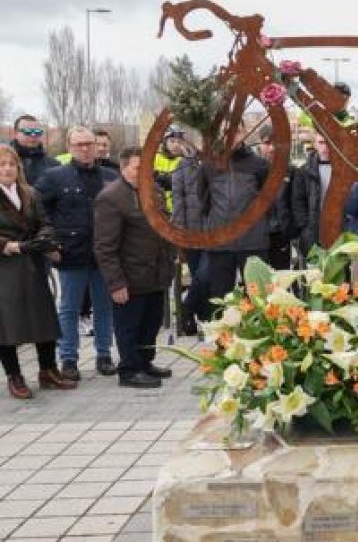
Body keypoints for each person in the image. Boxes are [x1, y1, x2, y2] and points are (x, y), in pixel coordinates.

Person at [36, 126, 119, 380]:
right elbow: (39, 212)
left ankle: (104, 355)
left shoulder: (110, 176)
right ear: (69, 147)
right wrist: (50, 244)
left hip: (103, 254)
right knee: (69, 309)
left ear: (96, 146)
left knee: (104, 307)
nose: (85, 149)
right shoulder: (54, 177)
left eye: (89, 144)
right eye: (79, 144)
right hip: (70, 254)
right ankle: (69, 359)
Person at [93, 147, 176, 389]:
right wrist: (116, 283)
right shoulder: (111, 198)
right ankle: (129, 369)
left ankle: (145, 362)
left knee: (151, 324)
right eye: (138, 168)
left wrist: (170, 259)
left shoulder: (155, 192)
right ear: (124, 168)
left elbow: (165, 228)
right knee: (129, 326)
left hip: (156, 273)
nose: (144, 173)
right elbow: (104, 247)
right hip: (130, 276)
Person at [0, 144, 76, 399]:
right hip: (6, 266)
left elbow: (45, 221)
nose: (8, 169)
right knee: (8, 323)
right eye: (2, 164)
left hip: (33, 262)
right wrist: (6, 245)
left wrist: (44, 240)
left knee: (43, 317)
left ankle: (48, 370)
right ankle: (15, 375)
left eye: (11, 164)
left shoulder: (29, 192)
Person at [201, 128, 269, 310]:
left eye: (237, 131)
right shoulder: (209, 165)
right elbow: (203, 200)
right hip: (221, 242)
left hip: (253, 242)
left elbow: (268, 199)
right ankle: (222, 338)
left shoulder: (259, 164)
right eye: (227, 131)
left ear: (244, 133)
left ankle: (258, 336)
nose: (232, 136)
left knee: (258, 299)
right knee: (221, 300)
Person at [172, 141, 206, 336]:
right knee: (198, 276)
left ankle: (187, 308)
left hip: (217, 229)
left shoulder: (220, 161)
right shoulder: (183, 166)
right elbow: (178, 201)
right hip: (192, 233)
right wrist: (179, 234)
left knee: (207, 275)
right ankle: (196, 318)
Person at [256, 125, 297, 270]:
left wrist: (290, 230)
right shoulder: (252, 170)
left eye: (276, 143)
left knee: (281, 283)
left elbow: (295, 204)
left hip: (281, 236)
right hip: (256, 237)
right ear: (260, 144)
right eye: (267, 143)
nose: (272, 148)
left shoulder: (290, 171)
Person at [292, 133, 332, 258]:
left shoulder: (343, 169)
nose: (325, 147)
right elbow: (298, 201)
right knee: (315, 274)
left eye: (329, 142)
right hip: (313, 233)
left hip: (337, 231)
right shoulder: (304, 171)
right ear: (315, 144)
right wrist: (305, 228)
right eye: (321, 142)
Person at [10, 115, 59, 187]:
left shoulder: (53, 165)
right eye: (27, 132)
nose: (33, 135)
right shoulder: (4, 161)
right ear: (15, 134)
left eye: (37, 132)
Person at [154, 125, 186, 213]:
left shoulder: (184, 161)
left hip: (178, 211)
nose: (176, 145)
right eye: (172, 141)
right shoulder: (154, 159)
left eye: (179, 142)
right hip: (158, 211)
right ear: (164, 142)